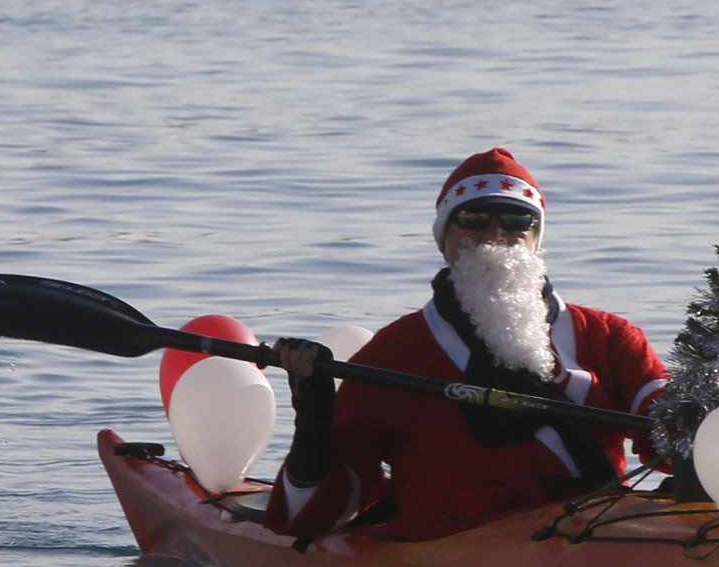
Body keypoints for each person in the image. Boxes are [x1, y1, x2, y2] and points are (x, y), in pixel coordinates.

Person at [264, 147, 669, 543]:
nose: (495, 235)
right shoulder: (394, 353)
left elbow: (669, 432)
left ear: (536, 239)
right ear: (444, 240)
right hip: (456, 542)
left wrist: (711, 413)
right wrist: (314, 415)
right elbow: (315, 513)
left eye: (516, 219)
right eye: (473, 218)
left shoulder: (610, 336)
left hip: (600, 529)